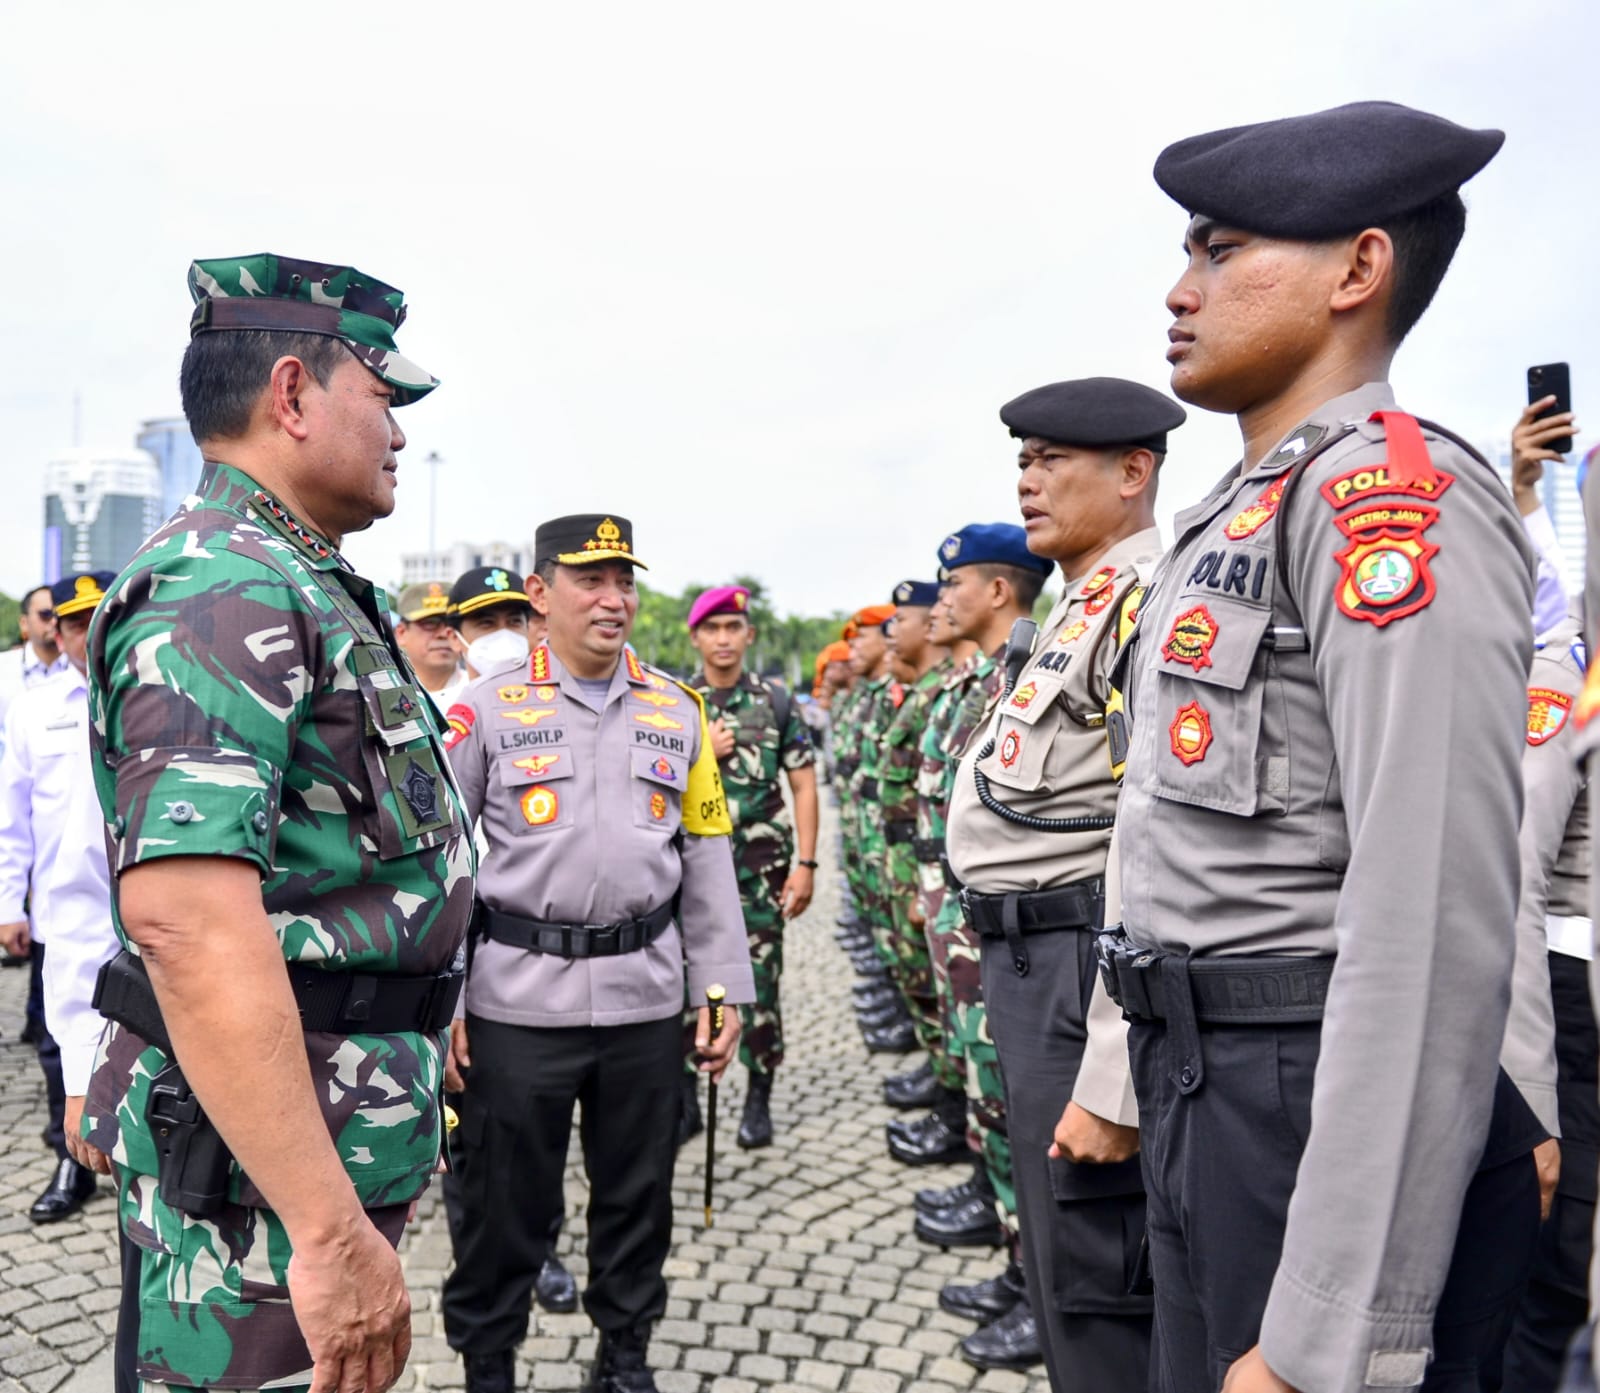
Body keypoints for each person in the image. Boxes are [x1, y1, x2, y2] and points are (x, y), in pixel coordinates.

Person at [1101, 103, 1545, 1392]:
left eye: (1220, 249)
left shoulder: (1390, 504)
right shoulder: (1244, 506)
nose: (1179, 292)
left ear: (1357, 270)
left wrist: (1339, 1324)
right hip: (1211, 1085)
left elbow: (1428, 919)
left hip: (1306, 1105)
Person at [83, 253, 472, 1393]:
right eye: (382, 393)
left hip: (330, 1122)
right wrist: (328, 1231)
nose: (398, 426)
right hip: (262, 1183)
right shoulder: (223, 583)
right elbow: (188, 926)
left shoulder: (300, 576)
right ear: (292, 394)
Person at [439, 513, 754, 1393]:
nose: (614, 599)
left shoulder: (675, 708)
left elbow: (707, 851)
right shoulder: (483, 711)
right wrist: (446, 1006)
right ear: (540, 594)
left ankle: (623, 1357)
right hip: (514, 1006)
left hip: (645, 1005)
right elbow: (444, 864)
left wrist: (721, 988)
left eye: (625, 580)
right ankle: (489, 1360)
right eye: (591, 579)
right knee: (504, 1206)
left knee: (636, 1199)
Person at [947, 380, 1180, 1390]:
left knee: (1098, 1269)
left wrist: (1114, 1066)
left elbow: (1157, 836)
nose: (1027, 481)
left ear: (1133, 473)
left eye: (1052, 461)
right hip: (1029, 960)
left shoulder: (1145, 598)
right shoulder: (1081, 602)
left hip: (1083, 968)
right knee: (1059, 1255)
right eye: (1022, 462)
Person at [912, 525, 1052, 1356]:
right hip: (960, 923)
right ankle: (1017, 1257)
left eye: (956, 582)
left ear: (1000, 590)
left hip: (1002, 927)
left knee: (1013, 1105)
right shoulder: (985, 679)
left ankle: (1043, 1283)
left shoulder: (1028, 676)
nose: (944, 598)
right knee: (988, 1093)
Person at [1492, 604, 1592, 1393]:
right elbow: (1513, 890)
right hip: (1572, 1021)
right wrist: (1534, 1105)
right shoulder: (1570, 674)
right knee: (1560, 1283)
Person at [0, 571, 116, 1223]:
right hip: (59, 911)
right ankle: (70, 1152)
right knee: (56, 1040)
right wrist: (8, 903)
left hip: (139, 920)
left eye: (98, 617)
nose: (86, 633)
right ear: (57, 631)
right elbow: (10, 815)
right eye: (74, 622)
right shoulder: (33, 708)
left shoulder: (145, 696)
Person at [686, 584, 819, 1149]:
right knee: (688, 987)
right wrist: (702, 754)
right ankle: (686, 1098)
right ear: (695, 637)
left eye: (732, 628)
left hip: (760, 876)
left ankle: (758, 1096)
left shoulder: (777, 702)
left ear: (748, 635)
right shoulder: (676, 703)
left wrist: (807, 864)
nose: (723, 639)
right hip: (689, 878)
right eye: (712, 629)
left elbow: (804, 784)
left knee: (761, 986)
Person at [0, 584, 69, 737]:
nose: (53, 622)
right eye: (45, 614)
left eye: (59, 615)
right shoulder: (3, 669)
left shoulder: (82, 668)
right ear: (24, 623)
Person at [449, 565, 537, 681]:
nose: (504, 635)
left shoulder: (554, 697)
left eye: (514, 622)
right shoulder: (441, 700)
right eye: (487, 623)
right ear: (455, 638)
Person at [395, 580, 467, 713]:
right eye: (430, 623)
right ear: (401, 633)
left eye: (451, 623)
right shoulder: (388, 693)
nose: (444, 634)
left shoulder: (482, 692)